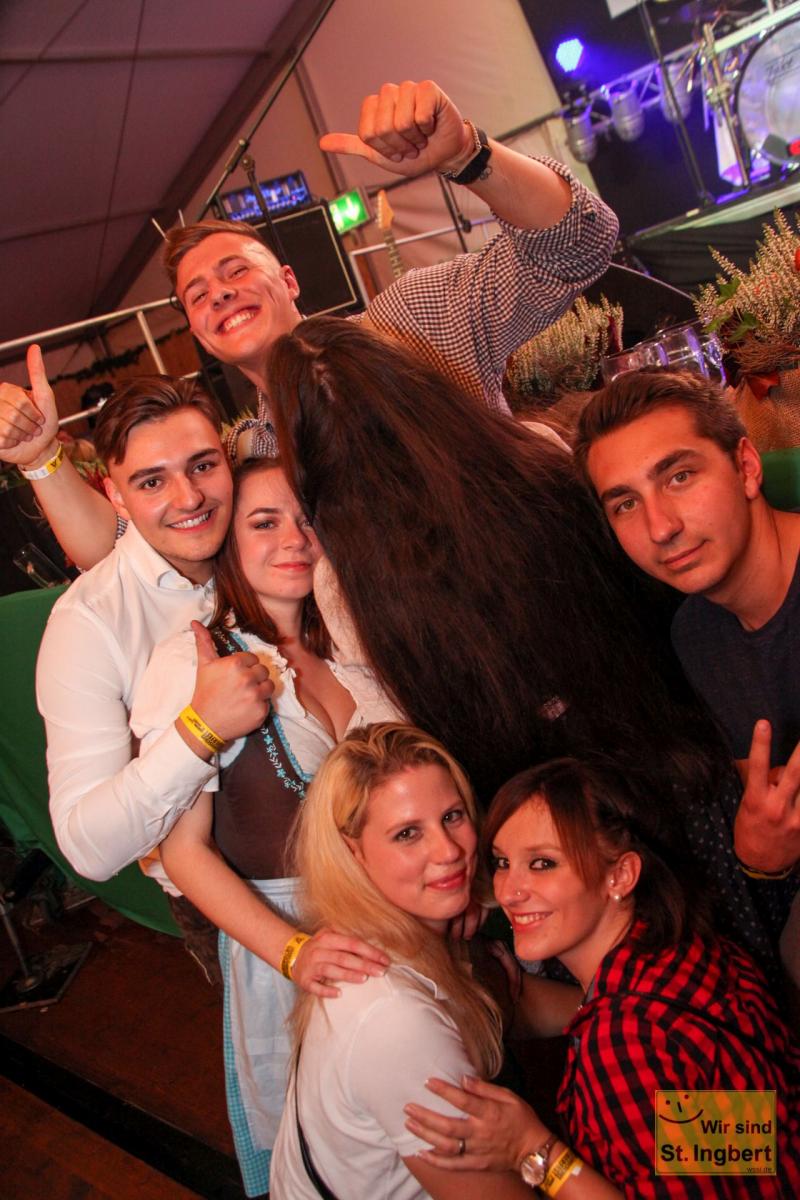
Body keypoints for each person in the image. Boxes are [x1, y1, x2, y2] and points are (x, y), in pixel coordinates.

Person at [0, 79, 618, 567]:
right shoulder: (250, 455)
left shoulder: (410, 322)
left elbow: (578, 244)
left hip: (549, 580)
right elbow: (130, 548)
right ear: (197, 333)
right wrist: (40, 457)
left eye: (237, 271)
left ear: (290, 281)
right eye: (199, 295)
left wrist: (467, 155)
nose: (221, 294)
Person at [263, 314, 725, 807]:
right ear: (416, 390)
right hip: (675, 731)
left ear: (308, 454)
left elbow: (402, 727)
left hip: (543, 806)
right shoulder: (532, 449)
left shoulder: (342, 583)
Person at [131, 457, 397, 1196]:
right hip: (296, 948)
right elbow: (183, 852)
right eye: (264, 522)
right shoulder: (194, 661)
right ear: (227, 542)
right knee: (338, 1161)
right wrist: (294, 952)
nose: (295, 539)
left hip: (400, 928)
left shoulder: (352, 644)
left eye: (306, 519)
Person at [402, 758, 800, 1198]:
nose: (509, 891)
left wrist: (532, 1149)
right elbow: (746, 1143)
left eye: (542, 863)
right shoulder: (682, 950)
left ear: (621, 874)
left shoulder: (626, 1041)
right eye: (501, 862)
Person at [270, 721, 578, 1200]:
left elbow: (704, 1156)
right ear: (353, 853)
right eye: (408, 833)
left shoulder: (397, 929)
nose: (450, 851)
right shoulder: (392, 1017)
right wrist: (541, 1153)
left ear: (622, 876)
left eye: (453, 816)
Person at [35, 376, 273, 897]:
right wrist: (200, 730)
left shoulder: (273, 547)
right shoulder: (89, 623)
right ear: (116, 498)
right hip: (227, 896)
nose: (189, 498)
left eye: (202, 466)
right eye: (151, 483)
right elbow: (88, 848)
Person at [573, 371, 800, 885]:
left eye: (679, 477)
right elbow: (771, 812)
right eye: (626, 504)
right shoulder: (697, 634)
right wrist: (761, 856)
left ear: (746, 467)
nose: (661, 527)